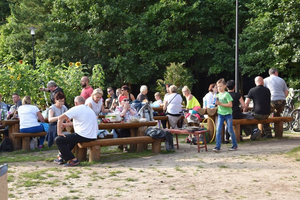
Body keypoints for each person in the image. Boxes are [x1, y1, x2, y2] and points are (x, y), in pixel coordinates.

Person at [54, 96, 98, 167]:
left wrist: (59, 133)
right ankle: (61, 157)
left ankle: (73, 160)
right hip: (93, 135)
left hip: (84, 135)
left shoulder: (77, 108)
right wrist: (66, 124)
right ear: (83, 102)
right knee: (71, 140)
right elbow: (81, 121)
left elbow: (60, 118)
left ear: (75, 103)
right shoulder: (89, 109)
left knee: (58, 140)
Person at [213, 78, 238, 152]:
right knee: (218, 129)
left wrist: (220, 104)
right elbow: (218, 105)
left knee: (230, 129)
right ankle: (218, 146)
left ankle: (234, 145)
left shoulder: (227, 94)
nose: (219, 88)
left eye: (220, 86)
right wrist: (215, 107)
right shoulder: (217, 95)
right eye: (217, 86)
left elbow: (230, 105)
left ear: (224, 86)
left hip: (228, 114)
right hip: (220, 113)